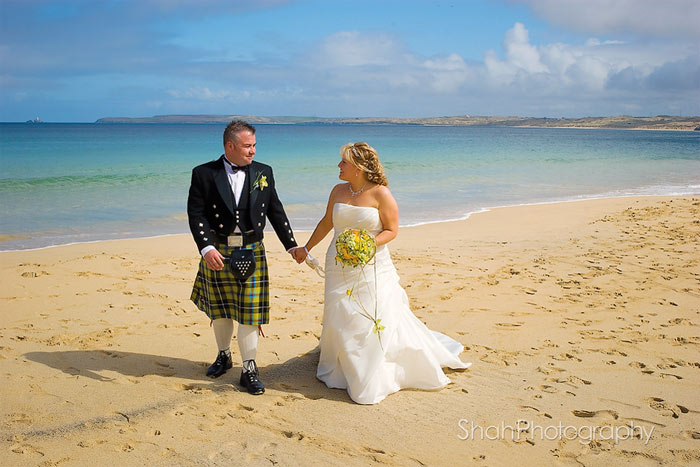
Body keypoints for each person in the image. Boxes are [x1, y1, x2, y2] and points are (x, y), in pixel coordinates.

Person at [291, 142, 471, 404]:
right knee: (339, 308)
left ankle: (369, 366)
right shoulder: (338, 190)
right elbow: (327, 222)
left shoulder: (381, 194)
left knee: (372, 311)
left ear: (359, 167)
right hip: (337, 262)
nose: (339, 166)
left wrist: (366, 244)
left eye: (344, 162)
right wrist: (306, 248)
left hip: (371, 263)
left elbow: (391, 230)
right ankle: (340, 361)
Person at [188, 120, 298, 395]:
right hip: (218, 250)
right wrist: (206, 247)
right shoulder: (203, 173)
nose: (253, 151)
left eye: (254, 145)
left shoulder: (264, 171)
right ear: (230, 146)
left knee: (250, 312)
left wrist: (291, 246)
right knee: (222, 308)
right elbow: (197, 213)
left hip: (251, 249)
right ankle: (224, 355)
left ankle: (249, 368)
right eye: (248, 146)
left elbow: (276, 210)